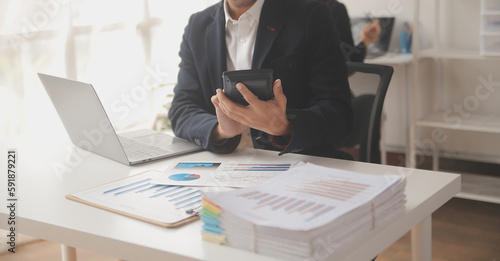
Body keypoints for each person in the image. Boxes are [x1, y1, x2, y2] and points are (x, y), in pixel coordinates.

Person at [168, 0, 353, 159]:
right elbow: (181, 109)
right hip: (224, 165)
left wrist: (283, 126)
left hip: (294, 164)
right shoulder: (197, 26)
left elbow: (338, 114)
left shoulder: (310, 15)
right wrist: (221, 130)